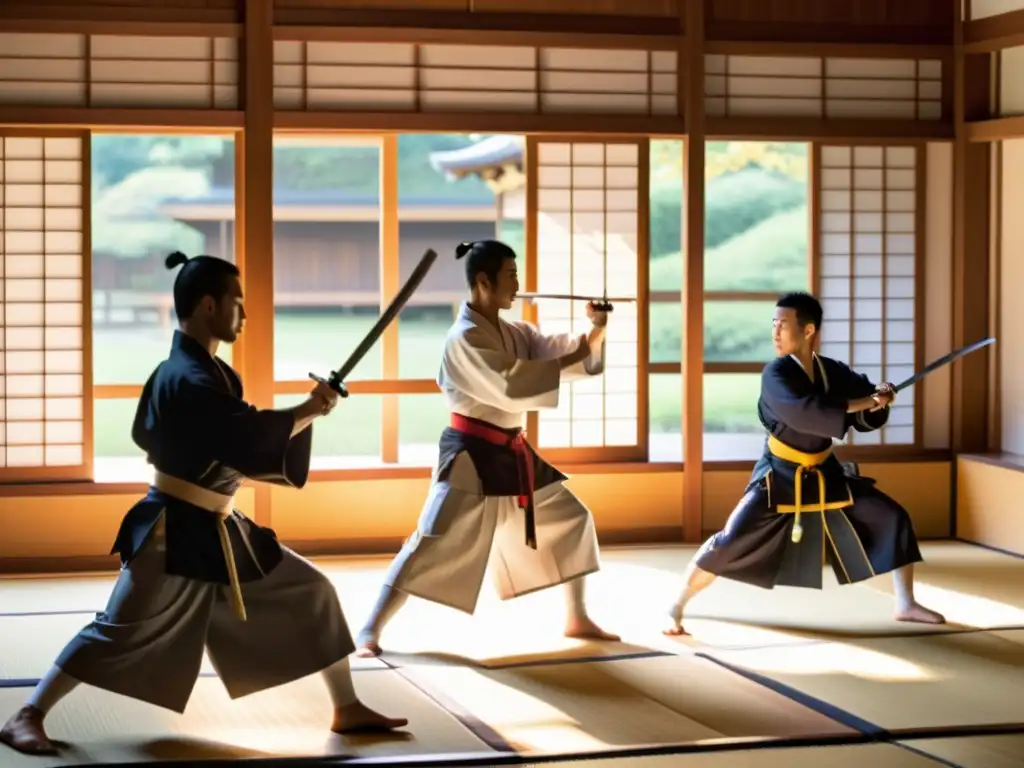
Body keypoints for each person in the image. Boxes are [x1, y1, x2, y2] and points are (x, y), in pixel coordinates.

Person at [0, 251, 407, 757]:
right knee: (117, 630)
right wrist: (305, 410)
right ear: (210, 305)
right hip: (173, 529)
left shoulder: (213, 374)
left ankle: (347, 707)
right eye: (237, 301)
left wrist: (302, 417)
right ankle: (27, 713)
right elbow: (240, 433)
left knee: (311, 590)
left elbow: (238, 440)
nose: (244, 313)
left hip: (218, 524)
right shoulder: (185, 377)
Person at [355, 240, 620, 658]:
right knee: (430, 539)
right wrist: (587, 345)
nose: (517, 285)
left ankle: (576, 616)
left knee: (572, 518)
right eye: (511, 276)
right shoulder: (463, 338)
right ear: (483, 281)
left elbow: (553, 352)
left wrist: (596, 329)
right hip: (470, 454)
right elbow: (511, 383)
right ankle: (370, 626)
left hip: (512, 452)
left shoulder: (513, 332)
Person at [664, 291, 945, 636]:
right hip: (781, 471)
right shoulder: (776, 374)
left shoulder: (832, 372)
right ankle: (677, 604)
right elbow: (808, 412)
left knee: (893, 516)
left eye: (783, 324)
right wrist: (866, 400)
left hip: (825, 470)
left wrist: (879, 400)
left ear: (808, 329)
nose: (775, 332)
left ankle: (905, 603)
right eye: (773, 325)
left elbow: (863, 411)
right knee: (731, 538)